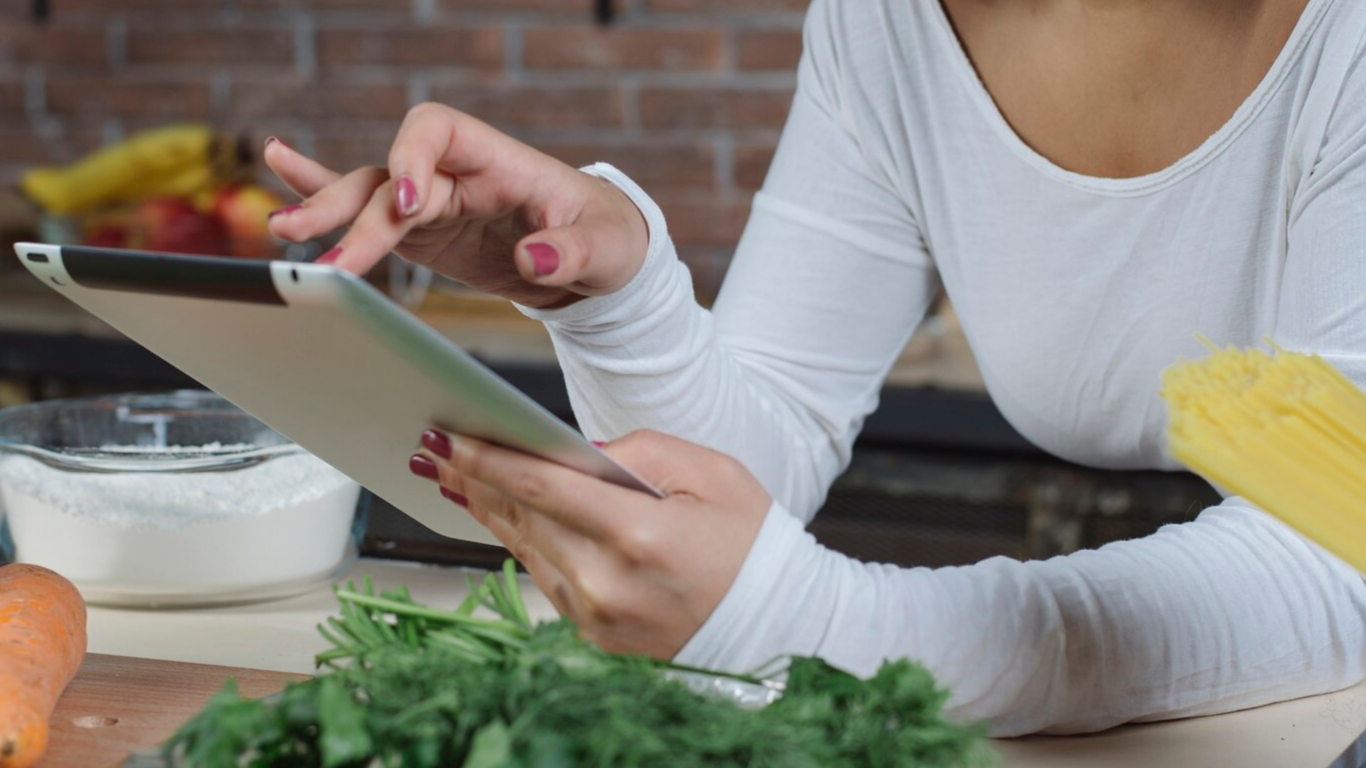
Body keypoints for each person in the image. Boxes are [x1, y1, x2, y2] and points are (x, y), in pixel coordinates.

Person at [264, 0, 1366, 736]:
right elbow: (764, 442)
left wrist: (826, 627)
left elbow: (1341, 554)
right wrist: (613, 297)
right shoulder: (889, 23)